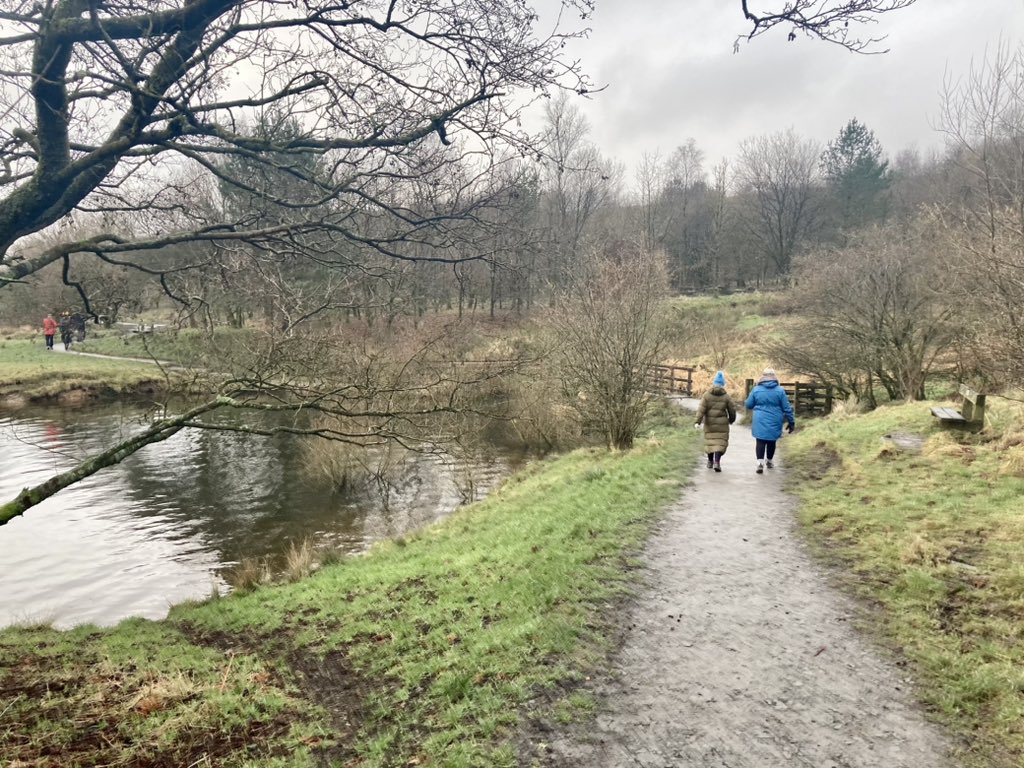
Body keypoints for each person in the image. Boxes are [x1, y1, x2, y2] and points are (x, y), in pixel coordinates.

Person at [744, 367, 795, 474]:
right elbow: (787, 408)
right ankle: (770, 461)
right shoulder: (780, 390)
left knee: (760, 440)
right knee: (772, 441)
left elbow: (748, 405)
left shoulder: (756, 389)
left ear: (763, 376)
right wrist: (791, 422)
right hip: (775, 418)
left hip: (759, 419)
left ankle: (760, 463)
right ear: (774, 376)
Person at [695, 370, 737, 472]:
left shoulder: (706, 395)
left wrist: (697, 421)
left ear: (714, 383)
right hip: (722, 424)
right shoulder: (726, 396)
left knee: (710, 442)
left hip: (709, 423)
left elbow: (701, 409)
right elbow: (732, 410)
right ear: (723, 384)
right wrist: (731, 419)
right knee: (719, 443)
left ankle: (710, 461)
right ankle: (717, 462)